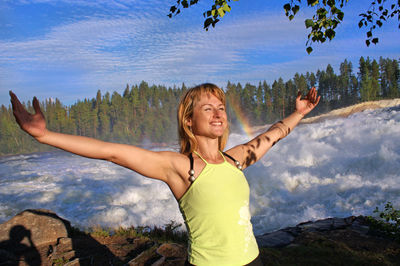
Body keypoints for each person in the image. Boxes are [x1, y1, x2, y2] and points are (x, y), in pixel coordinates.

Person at [10, 84, 320, 265]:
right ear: (189, 121)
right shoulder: (180, 167)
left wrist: (299, 112)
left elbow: (272, 135)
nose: (218, 113)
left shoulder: (235, 159)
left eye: (222, 107)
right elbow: (112, 151)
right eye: (207, 108)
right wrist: (45, 136)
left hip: (253, 260)